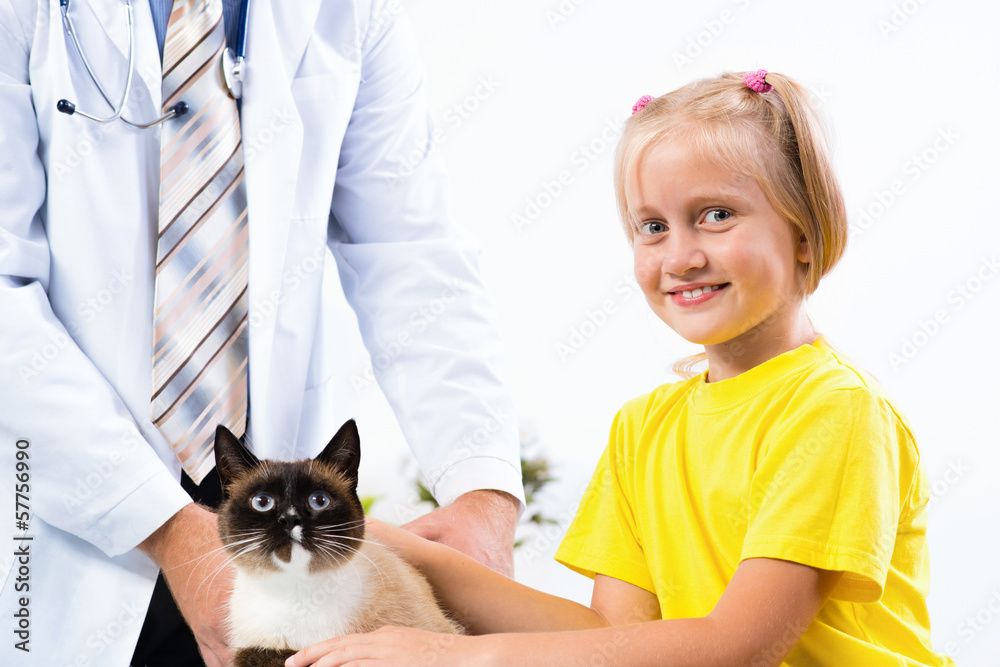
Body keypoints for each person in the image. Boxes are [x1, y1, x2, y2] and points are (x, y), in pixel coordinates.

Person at [284, 70, 956, 666]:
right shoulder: (644, 428)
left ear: (805, 234)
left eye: (716, 215)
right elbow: (611, 637)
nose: (681, 255)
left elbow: (738, 645)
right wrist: (408, 550)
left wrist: (457, 656)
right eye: (653, 226)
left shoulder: (833, 409)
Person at [0, 1, 524, 665]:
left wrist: (481, 489)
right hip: (66, 503)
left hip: (282, 530)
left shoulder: (349, 12)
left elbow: (412, 250)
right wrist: (160, 523)